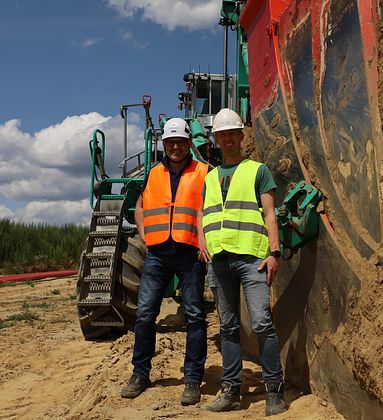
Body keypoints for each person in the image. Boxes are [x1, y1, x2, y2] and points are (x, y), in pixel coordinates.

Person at [198, 108, 286, 417]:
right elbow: (202, 214)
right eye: (222, 135)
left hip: (252, 260)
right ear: (217, 139)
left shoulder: (257, 171)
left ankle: (274, 390)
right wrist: (201, 242)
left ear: (240, 135)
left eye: (231, 133)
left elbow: (270, 214)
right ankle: (231, 391)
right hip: (220, 262)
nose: (227, 139)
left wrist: (274, 253)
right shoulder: (210, 178)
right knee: (228, 326)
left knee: (262, 322)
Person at [121, 118, 208, 406]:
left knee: (195, 316)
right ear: (164, 145)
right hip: (157, 254)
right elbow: (140, 206)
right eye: (170, 143)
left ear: (188, 144)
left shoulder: (204, 172)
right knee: (145, 314)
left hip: (190, 253)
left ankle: (193, 379)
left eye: (180, 143)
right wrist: (145, 234)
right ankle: (140, 374)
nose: (175, 147)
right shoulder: (153, 173)